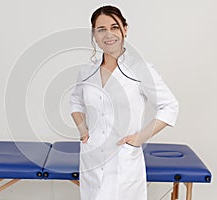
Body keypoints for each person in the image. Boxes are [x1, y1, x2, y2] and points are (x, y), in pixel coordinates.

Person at [70, 5, 179, 200]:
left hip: (123, 160)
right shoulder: (86, 72)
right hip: (92, 160)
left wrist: (139, 138)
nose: (108, 34)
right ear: (94, 34)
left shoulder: (140, 70)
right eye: (101, 29)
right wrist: (83, 131)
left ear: (125, 30)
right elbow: (76, 102)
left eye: (114, 27)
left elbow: (170, 106)